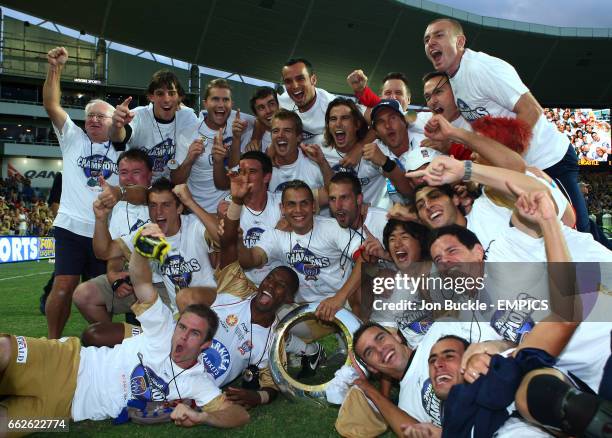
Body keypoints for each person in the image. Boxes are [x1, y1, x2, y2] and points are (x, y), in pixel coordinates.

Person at [0, 231, 250, 429]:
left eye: (194, 333)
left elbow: (239, 416)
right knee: (3, 349)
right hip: (67, 362)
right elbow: (141, 283)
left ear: (205, 345)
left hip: (65, 411)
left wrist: (203, 417)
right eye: (182, 326)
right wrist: (142, 251)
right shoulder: (163, 330)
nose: (182, 335)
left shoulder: (197, 382)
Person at [423, 18, 590, 236]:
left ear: (460, 41)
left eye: (439, 35)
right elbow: (484, 122)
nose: (431, 43)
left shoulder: (481, 68)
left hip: (549, 160)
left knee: (578, 233)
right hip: (522, 168)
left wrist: (506, 158)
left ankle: (597, 271)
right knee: (543, 236)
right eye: (426, 40)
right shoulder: (455, 77)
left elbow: (531, 110)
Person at [42, 46, 120, 339]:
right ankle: (52, 344)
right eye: (90, 116)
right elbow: (51, 104)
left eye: (102, 116)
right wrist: (55, 68)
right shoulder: (72, 138)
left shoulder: (122, 149)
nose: (94, 120)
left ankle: (107, 347)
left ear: (114, 123)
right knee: (63, 286)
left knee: (104, 294)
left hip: (106, 234)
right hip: (70, 226)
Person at [92, 178, 219, 316]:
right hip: (179, 314)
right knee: (98, 334)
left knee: (185, 297)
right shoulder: (149, 234)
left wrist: (190, 202)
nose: (158, 212)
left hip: (215, 307)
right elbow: (104, 252)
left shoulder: (195, 225)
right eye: (153, 205)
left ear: (179, 208)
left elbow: (222, 238)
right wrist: (101, 219)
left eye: (166, 205)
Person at [72, 149, 156, 324]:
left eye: (136, 172)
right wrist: (113, 277)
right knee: (84, 295)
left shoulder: (159, 196)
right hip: (134, 281)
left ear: (150, 175)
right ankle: (117, 341)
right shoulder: (117, 209)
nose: (129, 178)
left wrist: (120, 193)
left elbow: (142, 195)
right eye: (124, 173)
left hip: (162, 282)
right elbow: (107, 253)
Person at [171, 78, 253, 212]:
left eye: (225, 100)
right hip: (196, 210)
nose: (221, 104)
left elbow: (264, 121)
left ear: (231, 103)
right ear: (205, 103)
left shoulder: (238, 123)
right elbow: (175, 179)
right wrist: (189, 160)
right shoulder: (188, 134)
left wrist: (252, 138)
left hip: (228, 208)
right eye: (215, 99)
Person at [109, 70, 198, 181]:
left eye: (172, 93)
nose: (166, 99)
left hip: (173, 185)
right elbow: (119, 137)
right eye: (160, 94)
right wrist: (117, 126)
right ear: (151, 97)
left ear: (179, 97)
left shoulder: (188, 117)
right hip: (140, 185)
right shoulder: (139, 115)